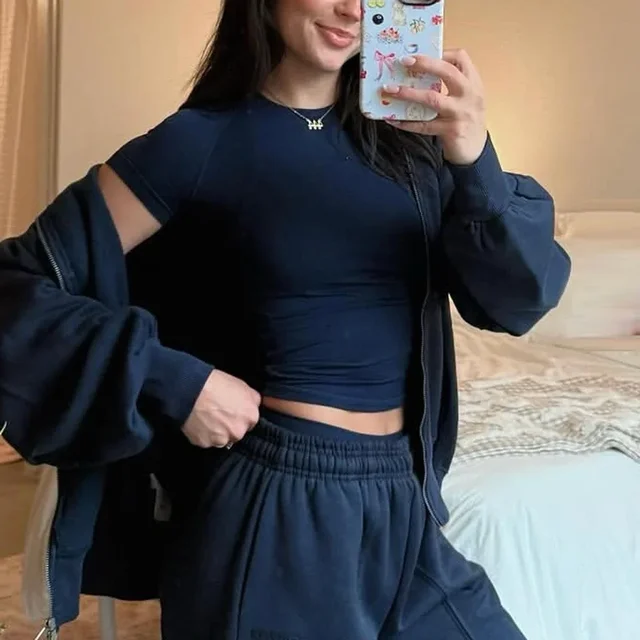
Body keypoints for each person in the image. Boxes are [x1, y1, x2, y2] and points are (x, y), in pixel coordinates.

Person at [0, 0, 571, 638]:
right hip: (276, 507)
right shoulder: (199, 141)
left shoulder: (414, 150)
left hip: (401, 501)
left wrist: (474, 157)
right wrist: (177, 382)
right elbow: (16, 284)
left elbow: (515, 302)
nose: (349, 8)